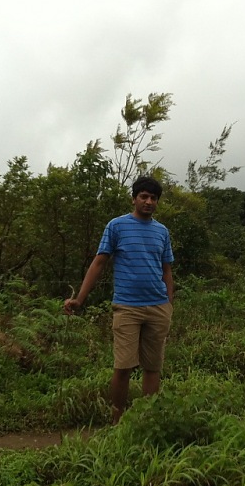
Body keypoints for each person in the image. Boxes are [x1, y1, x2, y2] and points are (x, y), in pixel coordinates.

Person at [64, 176, 174, 424]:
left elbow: (167, 270)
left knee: (152, 367)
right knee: (123, 366)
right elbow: (99, 263)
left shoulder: (162, 231)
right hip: (126, 307)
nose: (148, 202)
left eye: (153, 198)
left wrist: (169, 304)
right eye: (143, 196)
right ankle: (117, 421)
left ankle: (147, 420)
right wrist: (80, 299)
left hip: (158, 307)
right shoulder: (116, 226)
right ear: (134, 198)